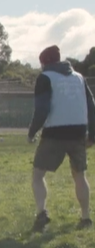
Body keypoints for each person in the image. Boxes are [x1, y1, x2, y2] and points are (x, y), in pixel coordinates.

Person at [27, 45, 95, 232]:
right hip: (78, 131)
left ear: (44, 63)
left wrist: (32, 132)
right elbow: (91, 106)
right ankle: (85, 217)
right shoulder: (79, 77)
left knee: (38, 174)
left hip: (55, 133)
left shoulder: (46, 77)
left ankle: (42, 213)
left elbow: (42, 109)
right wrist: (93, 135)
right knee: (79, 175)